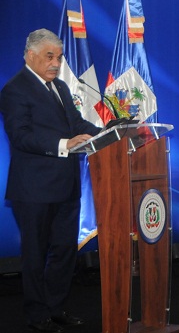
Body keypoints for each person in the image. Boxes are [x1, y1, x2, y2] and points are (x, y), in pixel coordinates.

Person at [0, 29, 102, 332]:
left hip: (66, 186)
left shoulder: (59, 86)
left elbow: (77, 124)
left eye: (58, 57)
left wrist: (110, 132)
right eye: (49, 56)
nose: (56, 63)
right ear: (30, 55)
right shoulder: (14, 90)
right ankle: (36, 315)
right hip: (33, 190)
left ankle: (55, 307)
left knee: (64, 251)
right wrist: (64, 144)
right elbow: (21, 136)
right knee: (35, 253)